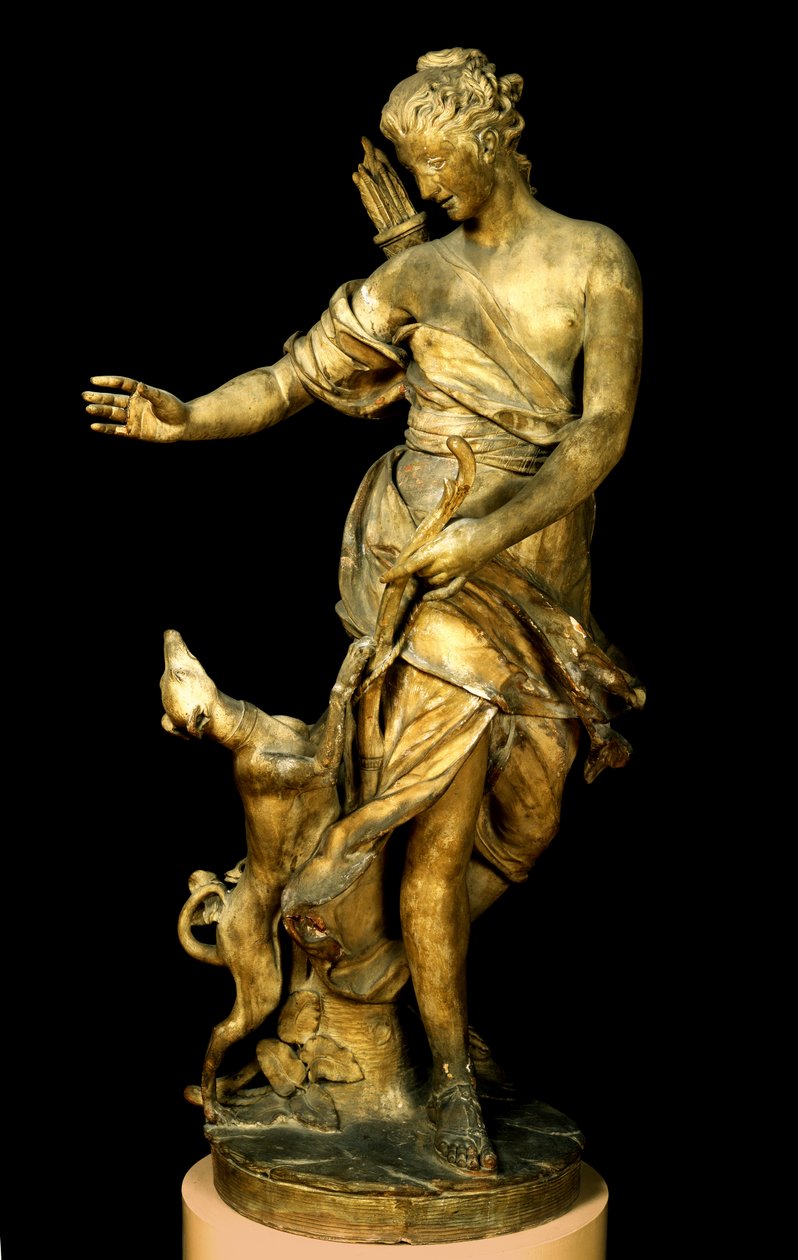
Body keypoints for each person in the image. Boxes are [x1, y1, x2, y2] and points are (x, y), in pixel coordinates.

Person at [84, 47, 644, 1176]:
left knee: (528, 829)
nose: (425, 187)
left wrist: (490, 529)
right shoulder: (417, 276)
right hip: (422, 573)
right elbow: (292, 378)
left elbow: (599, 433)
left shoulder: (595, 259)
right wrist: (188, 417)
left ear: (487, 140)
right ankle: (447, 1078)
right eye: (411, 168)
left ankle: (378, 972)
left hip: (538, 575)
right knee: (432, 833)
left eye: (434, 162)